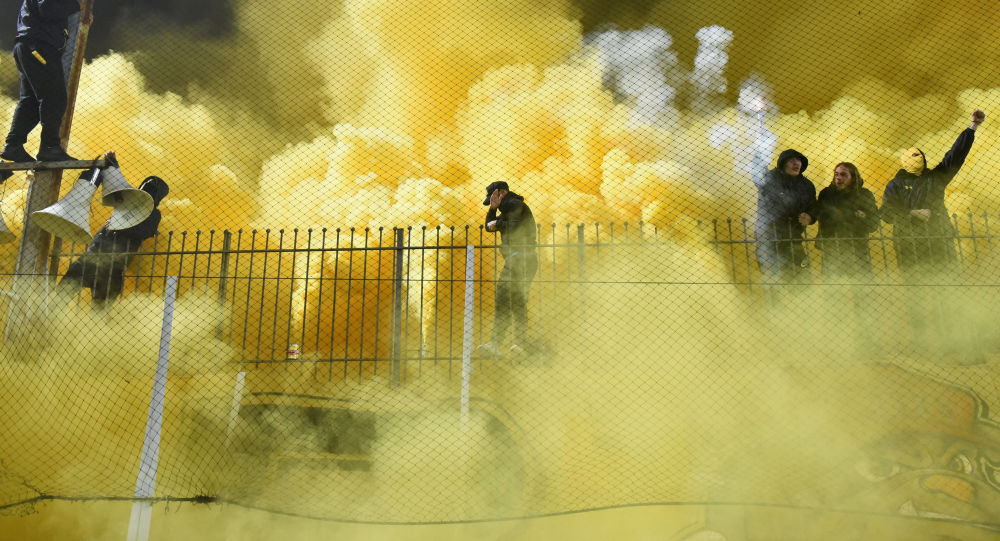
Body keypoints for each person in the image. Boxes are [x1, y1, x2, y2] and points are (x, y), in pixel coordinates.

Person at [880, 109, 985, 278]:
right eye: (912, 156)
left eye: (918, 155)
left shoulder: (935, 178)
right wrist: (912, 213)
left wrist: (972, 127)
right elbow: (886, 213)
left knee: (947, 284)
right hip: (910, 244)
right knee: (917, 288)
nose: (916, 158)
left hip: (939, 239)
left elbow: (955, 156)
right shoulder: (896, 184)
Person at [58, 153, 168, 309]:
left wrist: (124, 222)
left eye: (151, 189)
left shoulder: (153, 214)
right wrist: (112, 165)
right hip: (91, 258)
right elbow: (117, 186)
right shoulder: (127, 200)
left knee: (97, 315)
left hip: (112, 268)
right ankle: (46, 323)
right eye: (146, 186)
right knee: (60, 297)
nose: (146, 190)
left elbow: (142, 231)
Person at [1, 0, 92, 165]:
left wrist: (80, 13)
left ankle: (13, 146)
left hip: (30, 46)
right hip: (39, 47)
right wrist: (77, 6)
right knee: (54, 98)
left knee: (31, 101)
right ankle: (49, 147)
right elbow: (48, 9)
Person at [475, 181, 538, 358]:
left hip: (522, 259)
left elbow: (517, 227)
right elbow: (489, 227)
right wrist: (492, 210)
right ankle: (509, 343)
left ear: (502, 192)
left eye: (494, 198)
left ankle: (512, 343)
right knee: (508, 301)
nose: (493, 202)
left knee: (512, 301)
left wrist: (499, 223)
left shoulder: (515, 204)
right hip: (516, 260)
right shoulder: (506, 208)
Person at [750, 145, 817, 288]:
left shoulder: (806, 185)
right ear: (783, 163)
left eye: (799, 160)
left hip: (794, 239)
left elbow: (814, 207)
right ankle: (775, 309)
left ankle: (802, 306)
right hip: (770, 239)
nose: (796, 163)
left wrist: (810, 216)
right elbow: (757, 175)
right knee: (774, 282)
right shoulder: (770, 180)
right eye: (792, 160)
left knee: (801, 281)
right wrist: (758, 150)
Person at [814, 163, 880, 278]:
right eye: (836, 174)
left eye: (844, 175)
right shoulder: (826, 194)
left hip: (857, 248)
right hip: (832, 248)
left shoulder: (864, 195)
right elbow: (822, 218)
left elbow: (874, 223)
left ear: (853, 178)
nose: (839, 178)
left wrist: (864, 216)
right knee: (832, 287)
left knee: (862, 287)